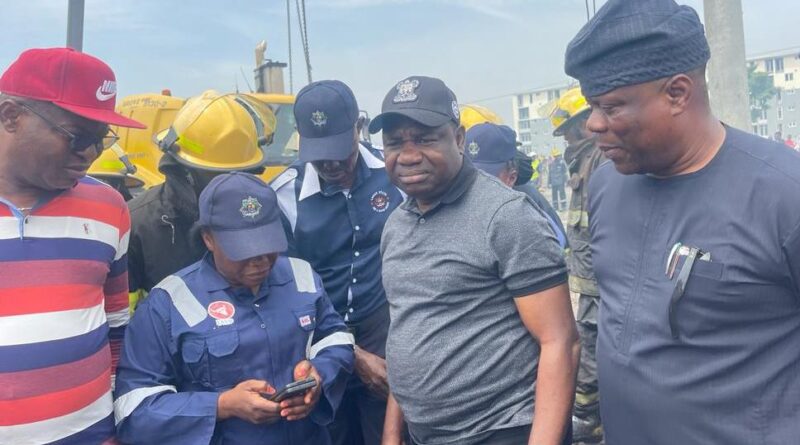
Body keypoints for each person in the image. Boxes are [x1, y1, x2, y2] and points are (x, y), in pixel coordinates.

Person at [565, 0, 800, 444]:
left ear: (677, 93)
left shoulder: (784, 196)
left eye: (611, 106)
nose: (594, 124)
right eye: (591, 105)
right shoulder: (607, 186)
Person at [371, 75, 580, 445]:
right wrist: (391, 433)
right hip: (426, 435)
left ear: (459, 139)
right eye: (394, 143)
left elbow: (560, 342)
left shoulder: (505, 215)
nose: (407, 155)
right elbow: (408, 327)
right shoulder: (396, 225)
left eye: (424, 138)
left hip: (501, 430)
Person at [114, 172, 355, 444]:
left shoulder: (302, 276)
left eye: (269, 245)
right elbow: (133, 411)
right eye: (244, 250)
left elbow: (336, 338)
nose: (261, 260)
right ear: (208, 238)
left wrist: (319, 375)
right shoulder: (168, 304)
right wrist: (221, 406)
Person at [0, 47, 145, 444]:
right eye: (78, 136)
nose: (91, 154)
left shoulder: (110, 208)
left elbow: (116, 328)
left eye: (102, 139)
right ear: (11, 116)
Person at [270, 80, 404, 445]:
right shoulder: (284, 195)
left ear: (359, 128)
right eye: (319, 153)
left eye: (340, 151)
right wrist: (351, 355)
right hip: (317, 338)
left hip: (386, 331)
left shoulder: (395, 176)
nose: (331, 164)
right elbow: (283, 288)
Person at [127, 91, 276, 307]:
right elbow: (124, 318)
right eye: (219, 178)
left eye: (245, 174)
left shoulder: (261, 214)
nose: (234, 188)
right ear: (185, 173)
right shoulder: (139, 225)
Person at [548, 87, 606, 444]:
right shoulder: (584, 162)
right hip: (589, 291)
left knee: (591, 365)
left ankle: (591, 425)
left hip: (600, 292)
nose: (567, 140)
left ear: (586, 124)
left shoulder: (600, 159)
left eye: (569, 131)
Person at [464, 122, 567, 248]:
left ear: (511, 177)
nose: (476, 185)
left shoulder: (528, 214)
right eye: (469, 175)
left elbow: (560, 245)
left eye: (487, 178)